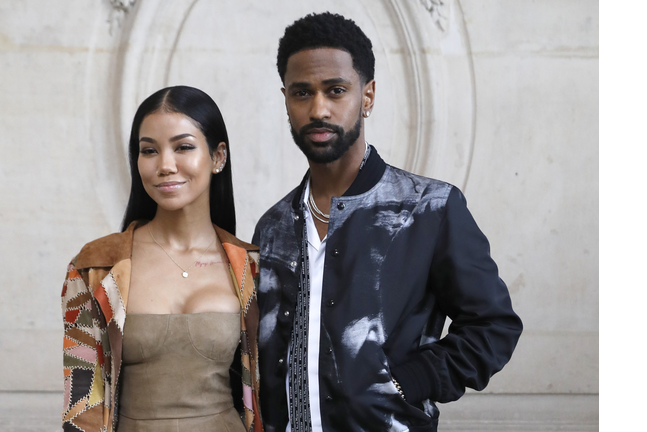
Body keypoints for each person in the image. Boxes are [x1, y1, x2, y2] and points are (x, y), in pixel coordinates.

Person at [252, 12, 523, 432]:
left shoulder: (429, 208)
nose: (318, 108)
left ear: (368, 96)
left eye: (336, 90)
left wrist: (410, 380)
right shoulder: (272, 228)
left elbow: (494, 326)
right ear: (285, 99)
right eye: (302, 93)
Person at [61, 86, 263, 432]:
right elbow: (82, 404)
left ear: (218, 157)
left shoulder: (252, 268)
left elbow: (274, 393)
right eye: (149, 151)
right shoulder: (95, 267)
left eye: (183, 147)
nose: (165, 165)